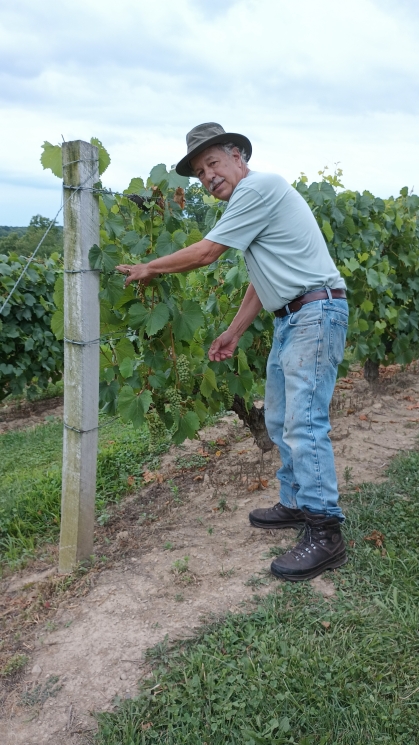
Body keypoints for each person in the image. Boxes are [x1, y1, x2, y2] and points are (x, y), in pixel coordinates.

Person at [116, 122, 349, 582]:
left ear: (238, 156)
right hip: (293, 317)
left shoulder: (258, 188)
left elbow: (206, 254)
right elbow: (262, 282)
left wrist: (149, 268)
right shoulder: (255, 200)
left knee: (304, 421)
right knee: (282, 418)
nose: (208, 177)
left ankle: (326, 534)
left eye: (213, 164)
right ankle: (298, 503)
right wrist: (234, 332)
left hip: (314, 314)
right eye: (200, 172)